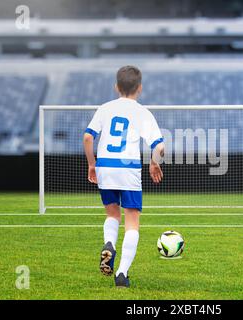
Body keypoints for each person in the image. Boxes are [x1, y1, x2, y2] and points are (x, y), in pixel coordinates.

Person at [83, 65, 165, 288]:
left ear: (116, 87)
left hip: (105, 166)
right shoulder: (142, 113)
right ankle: (122, 273)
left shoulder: (105, 108)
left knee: (112, 213)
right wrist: (153, 163)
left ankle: (109, 243)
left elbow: (88, 138)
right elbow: (160, 146)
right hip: (128, 168)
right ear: (139, 88)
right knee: (132, 220)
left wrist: (92, 164)